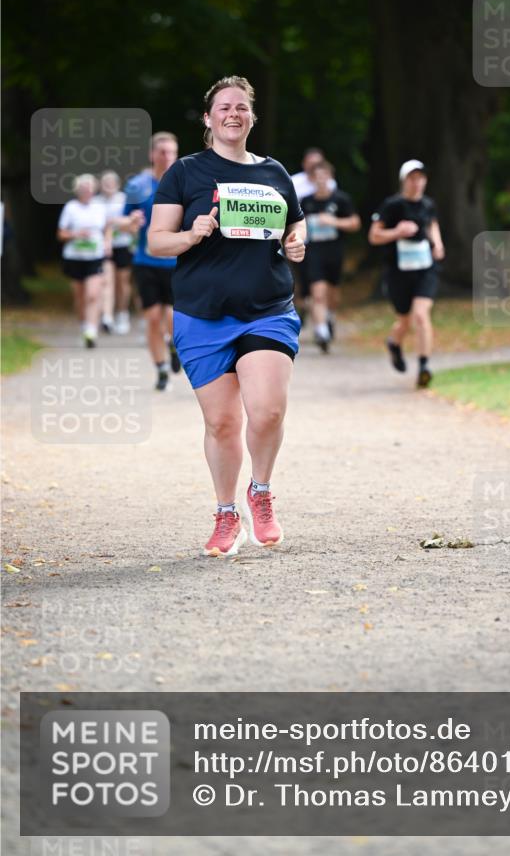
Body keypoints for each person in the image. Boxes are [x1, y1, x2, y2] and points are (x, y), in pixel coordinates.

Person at [147, 76, 306, 558]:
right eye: (224, 107)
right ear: (208, 119)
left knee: (268, 410)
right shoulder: (186, 172)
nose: (233, 114)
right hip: (203, 313)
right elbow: (157, 241)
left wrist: (296, 242)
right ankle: (225, 513)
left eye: (241, 107)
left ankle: (260, 492)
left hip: (267, 309)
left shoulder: (275, 172)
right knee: (221, 423)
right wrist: (191, 235)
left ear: (251, 117)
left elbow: (293, 221)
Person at [369, 159, 445, 388]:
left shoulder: (428, 204)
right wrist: (397, 232)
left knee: (421, 315)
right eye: (412, 178)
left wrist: (438, 244)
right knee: (405, 319)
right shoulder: (392, 206)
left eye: (421, 178)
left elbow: (432, 223)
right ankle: (394, 343)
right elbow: (374, 236)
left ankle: (424, 367)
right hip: (398, 271)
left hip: (425, 268)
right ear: (404, 181)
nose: (417, 183)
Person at [118, 133, 182, 390]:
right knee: (153, 317)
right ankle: (160, 368)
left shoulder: (183, 182)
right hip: (146, 261)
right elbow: (123, 221)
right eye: (162, 152)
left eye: (171, 152)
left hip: (176, 262)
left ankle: (174, 345)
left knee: (172, 317)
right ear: (152, 155)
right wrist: (131, 223)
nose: (166, 157)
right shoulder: (137, 185)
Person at [301, 159, 360, 351]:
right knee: (317, 293)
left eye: (324, 176)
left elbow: (355, 223)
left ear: (330, 178)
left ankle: (330, 317)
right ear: (312, 180)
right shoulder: (306, 202)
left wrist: (333, 222)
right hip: (314, 252)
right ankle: (322, 333)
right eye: (316, 177)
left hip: (335, 251)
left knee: (333, 294)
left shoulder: (340, 199)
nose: (320, 180)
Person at [57, 173, 111, 347]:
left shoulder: (99, 207)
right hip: (74, 257)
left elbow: (107, 227)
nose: (87, 191)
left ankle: (91, 331)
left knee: (93, 294)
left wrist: (107, 242)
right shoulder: (71, 208)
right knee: (80, 297)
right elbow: (61, 233)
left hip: (95, 256)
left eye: (89, 187)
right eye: (83, 188)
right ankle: (83, 326)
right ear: (77, 190)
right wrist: (76, 234)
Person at [97, 170, 133, 335]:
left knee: (122, 282)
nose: (108, 187)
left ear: (117, 185)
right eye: (105, 184)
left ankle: (122, 313)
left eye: (111, 184)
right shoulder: (96, 202)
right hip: (104, 246)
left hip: (123, 244)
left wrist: (115, 223)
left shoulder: (124, 200)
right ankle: (107, 316)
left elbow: (132, 223)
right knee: (106, 281)